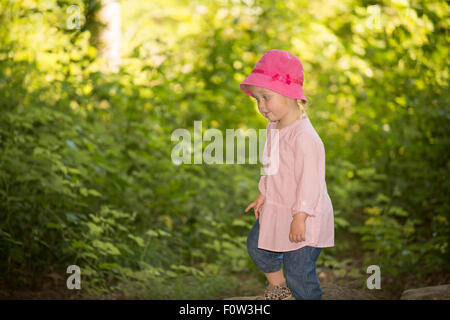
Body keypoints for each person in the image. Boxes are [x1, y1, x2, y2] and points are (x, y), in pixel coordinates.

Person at [241, 49, 334, 300]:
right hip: (278, 206)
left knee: (299, 274)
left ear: (290, 95)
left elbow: (310, 182)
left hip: (304, 216)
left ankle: (301, 294)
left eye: (266, 97)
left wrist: (300, 216)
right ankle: (279, 289)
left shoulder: (304, 137)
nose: (261, 105)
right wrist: (264, 192)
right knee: (257, 246)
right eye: (257, 99)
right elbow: (272, 165)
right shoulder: (274, 126)